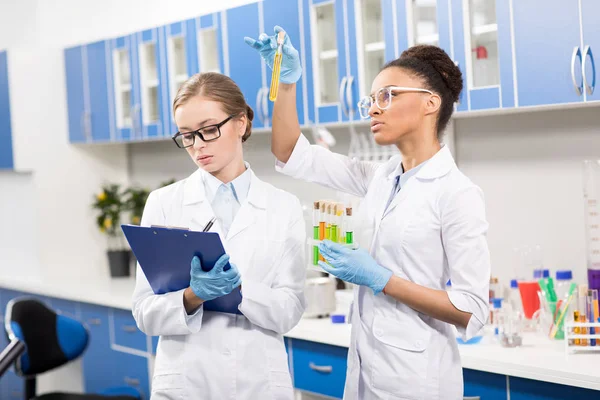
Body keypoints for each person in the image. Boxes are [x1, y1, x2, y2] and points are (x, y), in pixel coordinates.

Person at [245, 27, 491, 399]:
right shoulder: (380, 177)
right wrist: (286, 83)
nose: (374, 107)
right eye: (372, 99)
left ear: (430, 102)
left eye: (388, 95)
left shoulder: (457, 194)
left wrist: (381, 279)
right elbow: (289, 152)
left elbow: (472, 311)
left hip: (418, 381)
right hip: (365, 372)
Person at [131, 72, 306, 400]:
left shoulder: (284, 207)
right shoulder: (165, 203)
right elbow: (144, 312)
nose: (198, 146)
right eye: (187, 136)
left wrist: (242, 291)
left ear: (241, 122)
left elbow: (291, 308)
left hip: (259, 383)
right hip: (187, 383)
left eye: (209, 130)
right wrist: (192, 296)